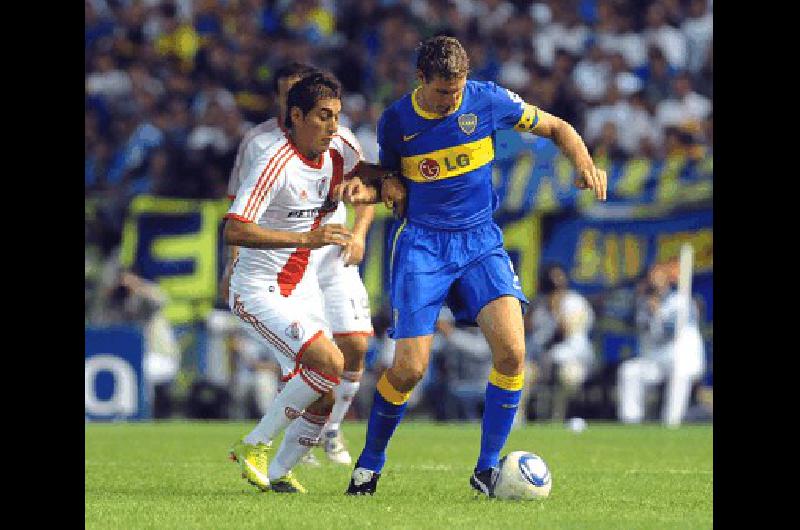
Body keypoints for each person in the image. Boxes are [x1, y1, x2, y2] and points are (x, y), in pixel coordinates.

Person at [338, 36, 607, 497]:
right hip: (423, 244)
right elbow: (389, 174)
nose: (452, 100)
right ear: (422, 79)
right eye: (443, 92)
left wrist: (584, 163)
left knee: (513, 353)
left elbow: (559, 128)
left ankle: (486, 470)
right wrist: (385, 186)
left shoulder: (489, 99)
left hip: (481, 240)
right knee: (408, 370)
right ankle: (369, 463)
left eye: (457, 90)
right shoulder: (397, 120)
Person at [224, 72, 395, 493]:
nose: (333, 126)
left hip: (300, 286)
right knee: (329, 363)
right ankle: (254, 444)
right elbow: (234, 228)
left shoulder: (341, 147)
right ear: (296, 116)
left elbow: (373, 182)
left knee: (324, 390)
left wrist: (367, 194)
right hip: (256, 287)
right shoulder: (273, 161)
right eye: (323, 117)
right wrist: (306, 238)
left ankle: (279, 473)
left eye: (336, 116)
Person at [617, 265, 706, 427]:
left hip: (681, 356)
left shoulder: (680, 301)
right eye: (651, 279)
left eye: (659, 279)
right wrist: (640, 302)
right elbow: (631, 323)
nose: (654, 283)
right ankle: (630, 422)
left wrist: (657, 312)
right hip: (656, 358)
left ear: (667, 281)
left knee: (680, 372)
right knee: (630, 371)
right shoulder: (644, 303)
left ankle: (671, 423)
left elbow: (671, 330)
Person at [524, 264, 595, 422]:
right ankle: (516, 421)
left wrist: (556, 308)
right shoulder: (539, 304)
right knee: (522, 373)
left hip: (574, 360)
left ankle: (561, 419)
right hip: (543, 360)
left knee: (569, 376)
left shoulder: (575, 302)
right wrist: (533, 309)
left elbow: (566, 331)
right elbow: (525, 330)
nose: (556, 287)